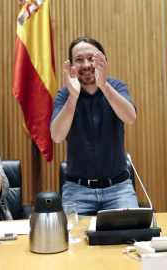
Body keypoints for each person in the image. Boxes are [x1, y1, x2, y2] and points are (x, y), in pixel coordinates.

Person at [50, 37, 139, 216]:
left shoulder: (116, 86)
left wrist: (103, 85)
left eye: (92, 58)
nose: (86, 65)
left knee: (130, 237)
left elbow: (130, 118)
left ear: (103, 61)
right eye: (79, 60)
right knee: (72, 241)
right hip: (77, 190)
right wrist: (73, 97)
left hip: (119, 188)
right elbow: (57, 136)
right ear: (72, 66)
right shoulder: (64, 95)